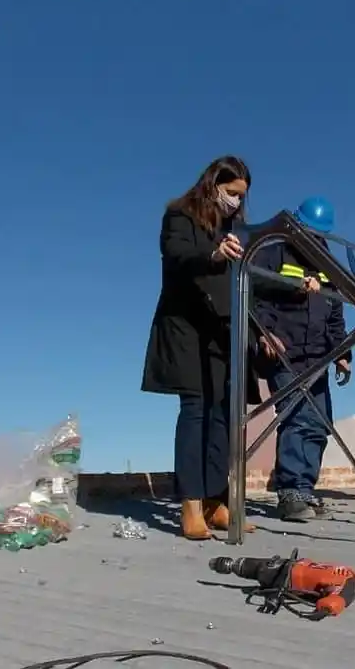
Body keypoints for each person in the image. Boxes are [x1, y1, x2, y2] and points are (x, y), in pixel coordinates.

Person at [141, 155, 262, 540]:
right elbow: (177, 256)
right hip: (185, 325)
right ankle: (190, 504)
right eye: (231, 194)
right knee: (195, 410)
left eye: (242, 197)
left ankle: (216, 501)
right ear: (212, 185)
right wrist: (212, 255)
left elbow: (249, 279)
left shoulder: (237, 228)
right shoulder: (179, 215)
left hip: (221, 327)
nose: (237, 203)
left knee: (222, 413)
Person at [252, 197, 352, 521]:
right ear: (295, 227)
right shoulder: (271, 254)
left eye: (319, 235)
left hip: (318, 357)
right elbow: (253, 297)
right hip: (284, 352)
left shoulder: (328, 267)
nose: (314, 240)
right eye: (309, 233)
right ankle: (289, 493)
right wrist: (263, 333)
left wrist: (343, 355)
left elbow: (335, 313)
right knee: (296, 418)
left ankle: (305, 490)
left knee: (319, 425)